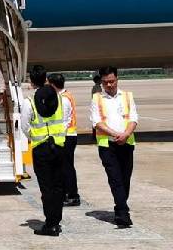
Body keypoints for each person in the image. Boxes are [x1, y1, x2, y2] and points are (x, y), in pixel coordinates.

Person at [89, 66, 138, 227]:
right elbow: (97, 122)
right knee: (115, 179)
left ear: (117, 79)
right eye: (105, 82)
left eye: (112, 81)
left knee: (125, 179)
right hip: (107, 145)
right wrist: (115, 134)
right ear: (101, 82)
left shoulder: (127, 96)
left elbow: (133, 119)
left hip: (127, 143)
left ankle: (120, 207)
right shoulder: (97, 98)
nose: (109, 85)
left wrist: (125, 135)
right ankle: (123, 214)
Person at [20, 84, 66, 237]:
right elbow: (65, 120)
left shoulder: (30, 101)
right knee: (58, 186)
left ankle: (50, 224)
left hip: (41, 148)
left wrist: (35, 138)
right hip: (58, 146)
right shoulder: (60, 98)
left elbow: (25, 125)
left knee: (46, 187)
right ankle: (56, 221)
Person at [48, 73, 80, 206]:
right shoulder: (63, 96)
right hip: (67, 136)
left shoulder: (64, 98)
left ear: (53, 85)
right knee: (64, 166)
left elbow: (65, 120)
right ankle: (67, 193)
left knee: (67, 167)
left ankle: (72, 195)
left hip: (67, 136)